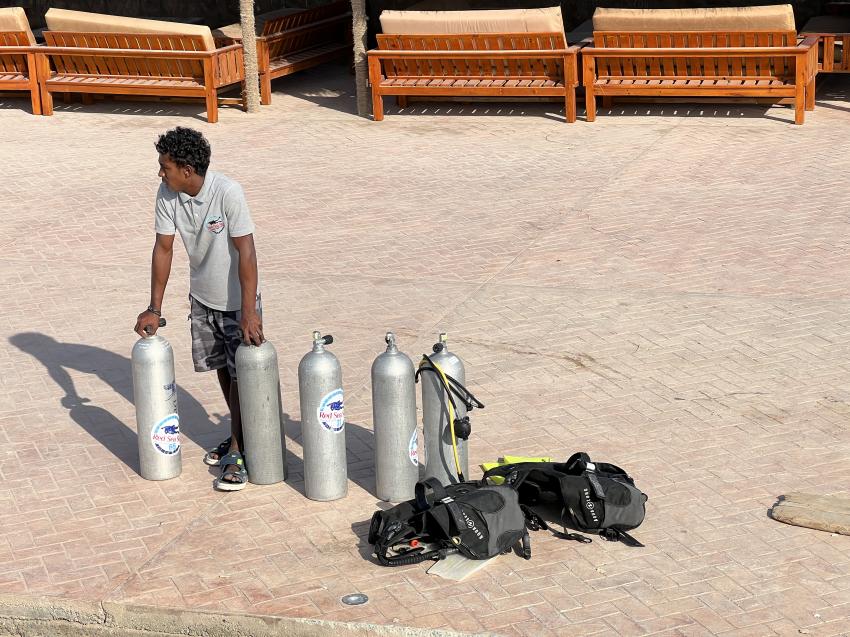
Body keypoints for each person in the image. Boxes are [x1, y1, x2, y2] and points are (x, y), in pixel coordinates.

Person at [134, 126, 262, 491]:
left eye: (165, 166)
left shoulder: (227, 192)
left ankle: (238, 449)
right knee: (222, 368)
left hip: (240, 301)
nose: (161, 172)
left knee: (243, 375)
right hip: (203, 298)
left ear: (187, 170)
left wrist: (249, 311)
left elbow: (246, 251)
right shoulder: (167, 194)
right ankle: (238, 434)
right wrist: (153, 308)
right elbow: (163, 248)